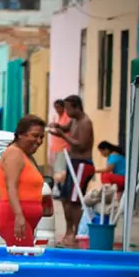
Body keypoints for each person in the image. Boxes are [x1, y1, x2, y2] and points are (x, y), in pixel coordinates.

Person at [47, 95, 94, 248]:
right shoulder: (74, 120)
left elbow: (81, 144)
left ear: (76, 107)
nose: (66, 111)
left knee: (74, 200)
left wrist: (62, 137)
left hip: (82, 164)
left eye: (68, 108)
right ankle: (69, 230)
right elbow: (66, 128)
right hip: (73, 162)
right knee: (65, 198)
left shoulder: (85, 123)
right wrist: (58, 127)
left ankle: (75, 233)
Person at [0, 116, 46, 247]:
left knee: (22, 258)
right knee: (25, 259)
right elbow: (10, 186)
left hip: (23, 218)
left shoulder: (27, 156)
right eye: (35, 136)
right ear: (20, 135)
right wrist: (18, 215)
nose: (39, 141)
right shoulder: (14, 153)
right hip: (14, 217)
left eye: (42, 137)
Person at [48, 99, 69, 180]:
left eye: (58, 107)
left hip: (63, 147)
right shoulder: (57, 116)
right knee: (56, 168)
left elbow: (65, 130)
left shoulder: (67, 116)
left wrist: (54, 130)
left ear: (63, 107)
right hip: (55, 147)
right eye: (55, 108)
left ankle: (59, 186)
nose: (57, 110)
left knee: (61, 170)